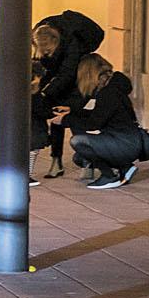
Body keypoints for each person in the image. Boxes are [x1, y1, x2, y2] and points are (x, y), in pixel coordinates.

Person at [31, 10, 105, 181]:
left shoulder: (73, 44)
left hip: (79, 77)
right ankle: (56, 161)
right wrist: (41, 84)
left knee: (72, 112)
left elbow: (67, 73)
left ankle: (87, 161)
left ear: (56, 42)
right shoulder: (39, 34)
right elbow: (46, 66)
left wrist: (46, 92)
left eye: (48, 50)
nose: (44, 53)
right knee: (58, 114)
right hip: (64, 74)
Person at [58, 54, 140, 189]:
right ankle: (125, 167)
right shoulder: (113, 87)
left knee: (78, 142)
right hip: (127, 140)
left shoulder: (109, 93)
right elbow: (101, 114)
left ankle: (109, 177)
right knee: (79, 158)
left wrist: (65, 120)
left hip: (126, 143)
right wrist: (71, 111)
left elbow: (93, 124)